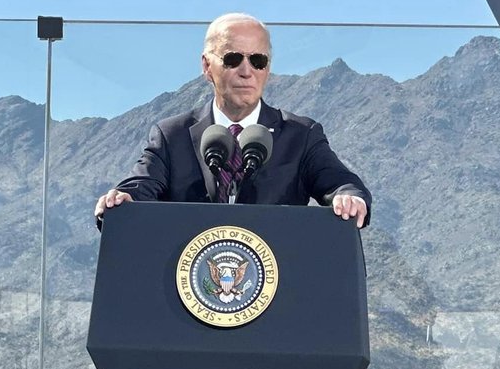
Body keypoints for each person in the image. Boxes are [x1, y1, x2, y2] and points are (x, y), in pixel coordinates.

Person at [94, 13, 370, 227]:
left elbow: (340, 182)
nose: (246, 71)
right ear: (206, 66)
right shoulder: (172, 136)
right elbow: (140, 185)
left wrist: (349, 198)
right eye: (233, 58)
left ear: (268, 68)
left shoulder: (301, 135)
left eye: (258, 60)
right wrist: (122, 200)